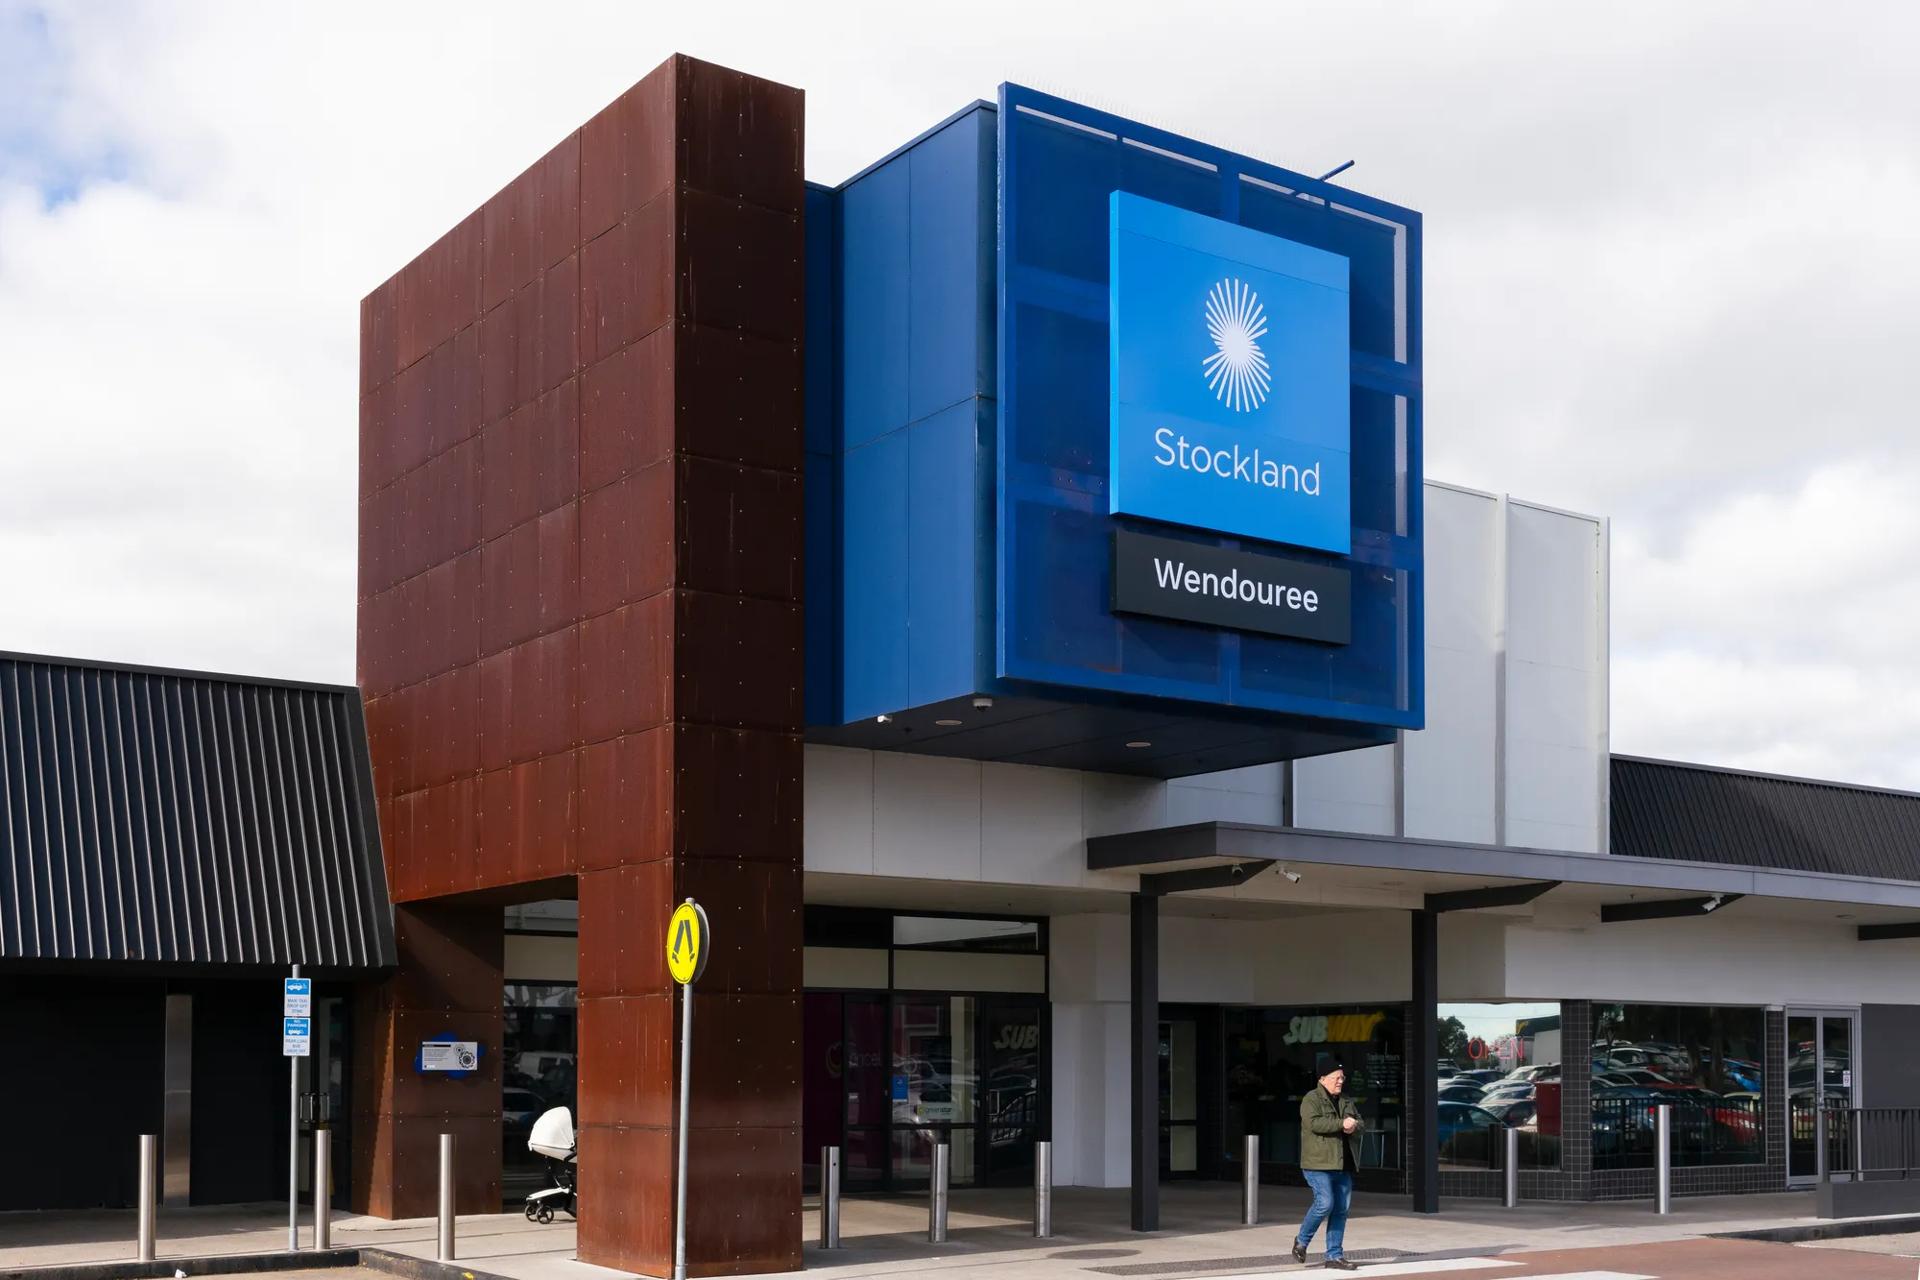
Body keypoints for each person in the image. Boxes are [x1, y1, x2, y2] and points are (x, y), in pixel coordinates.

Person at [1294, 1060, 1364, 1270]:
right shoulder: (1311, 1099)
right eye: (1336, 1077)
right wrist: (1342, 1124)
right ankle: (1301, 1241)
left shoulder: (1346, 1100)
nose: (1340, 1081)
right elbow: (1313, 1123)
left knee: (1340, 1210)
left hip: (1343, 1164)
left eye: (1342, 1077)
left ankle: (1334, 1256)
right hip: (1318, 1165)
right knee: (1325, 1203)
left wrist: (1355, 1127)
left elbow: (1360, 1122)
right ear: (1323, 1079)